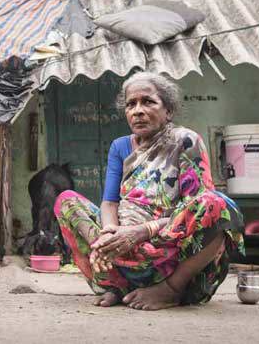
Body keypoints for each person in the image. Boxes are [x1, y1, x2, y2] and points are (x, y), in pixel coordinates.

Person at [54, 72, 244, 310]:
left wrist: (142, 231)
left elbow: (197, 209)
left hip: (168, 249)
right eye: (131, 104)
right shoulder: (120, 146)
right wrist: (110, 235)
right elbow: (110, 203)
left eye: (148, 102)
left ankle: (170, 290)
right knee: (66, 201)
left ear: (169, 111)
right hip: (124, 246)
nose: (138, 110)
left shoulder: (185, 141)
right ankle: (115, 285)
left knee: (217, 205)